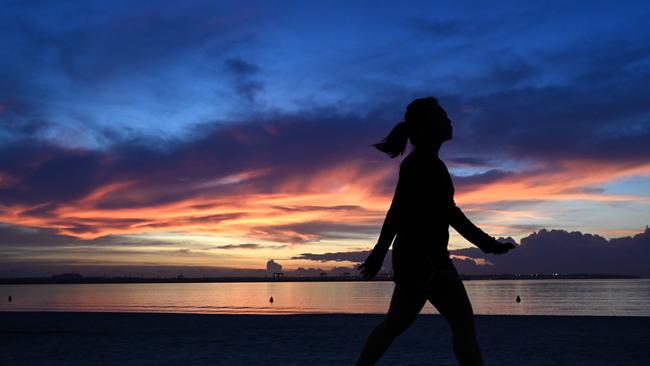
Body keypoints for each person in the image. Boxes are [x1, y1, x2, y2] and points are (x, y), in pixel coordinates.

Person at [355, 97, 515, 366]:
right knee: (461, 326)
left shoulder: (426, 162)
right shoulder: (420, 164)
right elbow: (404, 212)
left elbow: (442, 211)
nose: (449, 121)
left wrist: (487, 244)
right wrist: (487, 244)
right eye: (442, 116)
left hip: (421, 259)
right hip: (425, 260)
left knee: (396, 325)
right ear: (427, 126)